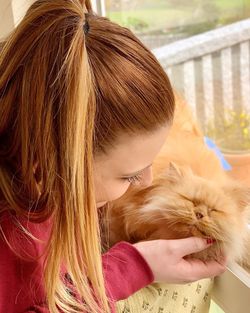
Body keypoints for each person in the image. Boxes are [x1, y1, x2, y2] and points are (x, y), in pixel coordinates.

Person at [0, 0, 227, 312]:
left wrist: (136, 264)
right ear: (56, 164)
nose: (146, 180)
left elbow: (60, 288)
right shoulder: (15, 238)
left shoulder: (45, 189)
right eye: (129, 175)